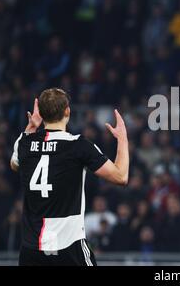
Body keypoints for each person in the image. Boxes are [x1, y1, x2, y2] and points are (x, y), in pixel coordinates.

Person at [10, 88, 129, 266]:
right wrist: (123, 139)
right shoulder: (78, 146)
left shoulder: (24, 142)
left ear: (41, 113)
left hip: (31, 248)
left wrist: (31, 127)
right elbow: (121, 177)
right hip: (68, 246)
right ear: (67, 111)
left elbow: (14, 164)